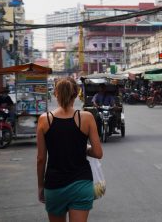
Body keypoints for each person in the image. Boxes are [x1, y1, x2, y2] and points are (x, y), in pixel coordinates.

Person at [36, 77, 103, 222]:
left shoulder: (44, 120)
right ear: (76, 93)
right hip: (81, 185)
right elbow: (98, 153)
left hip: (54, 186)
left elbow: (41, 159)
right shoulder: (86, 117)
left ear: (55, 94)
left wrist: (41, 186)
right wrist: (83, 149)